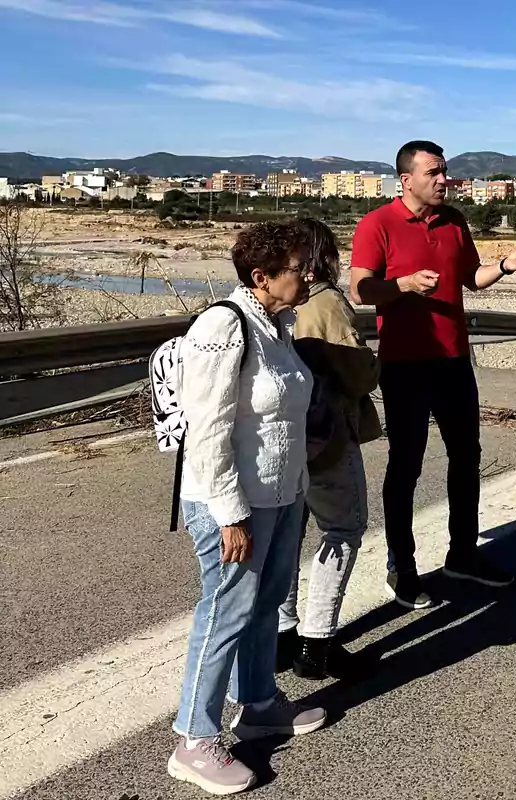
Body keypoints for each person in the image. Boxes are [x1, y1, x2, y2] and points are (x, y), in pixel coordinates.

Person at [350, 139, 516, 609]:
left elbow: (470, 277)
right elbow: (360, 289)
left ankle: (463, 554)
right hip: (405, 365)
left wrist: (505, 266)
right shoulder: (378, 224)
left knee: (466, 457)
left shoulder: (455, 221)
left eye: (445, 171)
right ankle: (403, 566)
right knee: (407, 464)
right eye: (433, 172)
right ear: (406, 179)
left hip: (454, 360)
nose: (443, 180)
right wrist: (404, 285)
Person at [170, 221, 326, 796]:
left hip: (281, 495)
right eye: (297, 268)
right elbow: (208, 428)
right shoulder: (222, 325)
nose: (309, 275)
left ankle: (259, 702)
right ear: (260, 277)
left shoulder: (277, 325)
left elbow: (281, 418)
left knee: (265, 606)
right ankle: (193, 738)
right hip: (232, 500)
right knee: (225, 612)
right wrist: (230, 513)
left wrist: (299, 486)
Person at [277, 217, 382, 680]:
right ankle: (317, 643)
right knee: (343, 527)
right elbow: (357, 375)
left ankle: (281, 633)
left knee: (286, 534)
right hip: (324, 436)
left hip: (281, 438)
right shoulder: (325, 304)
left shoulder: (271, 306)